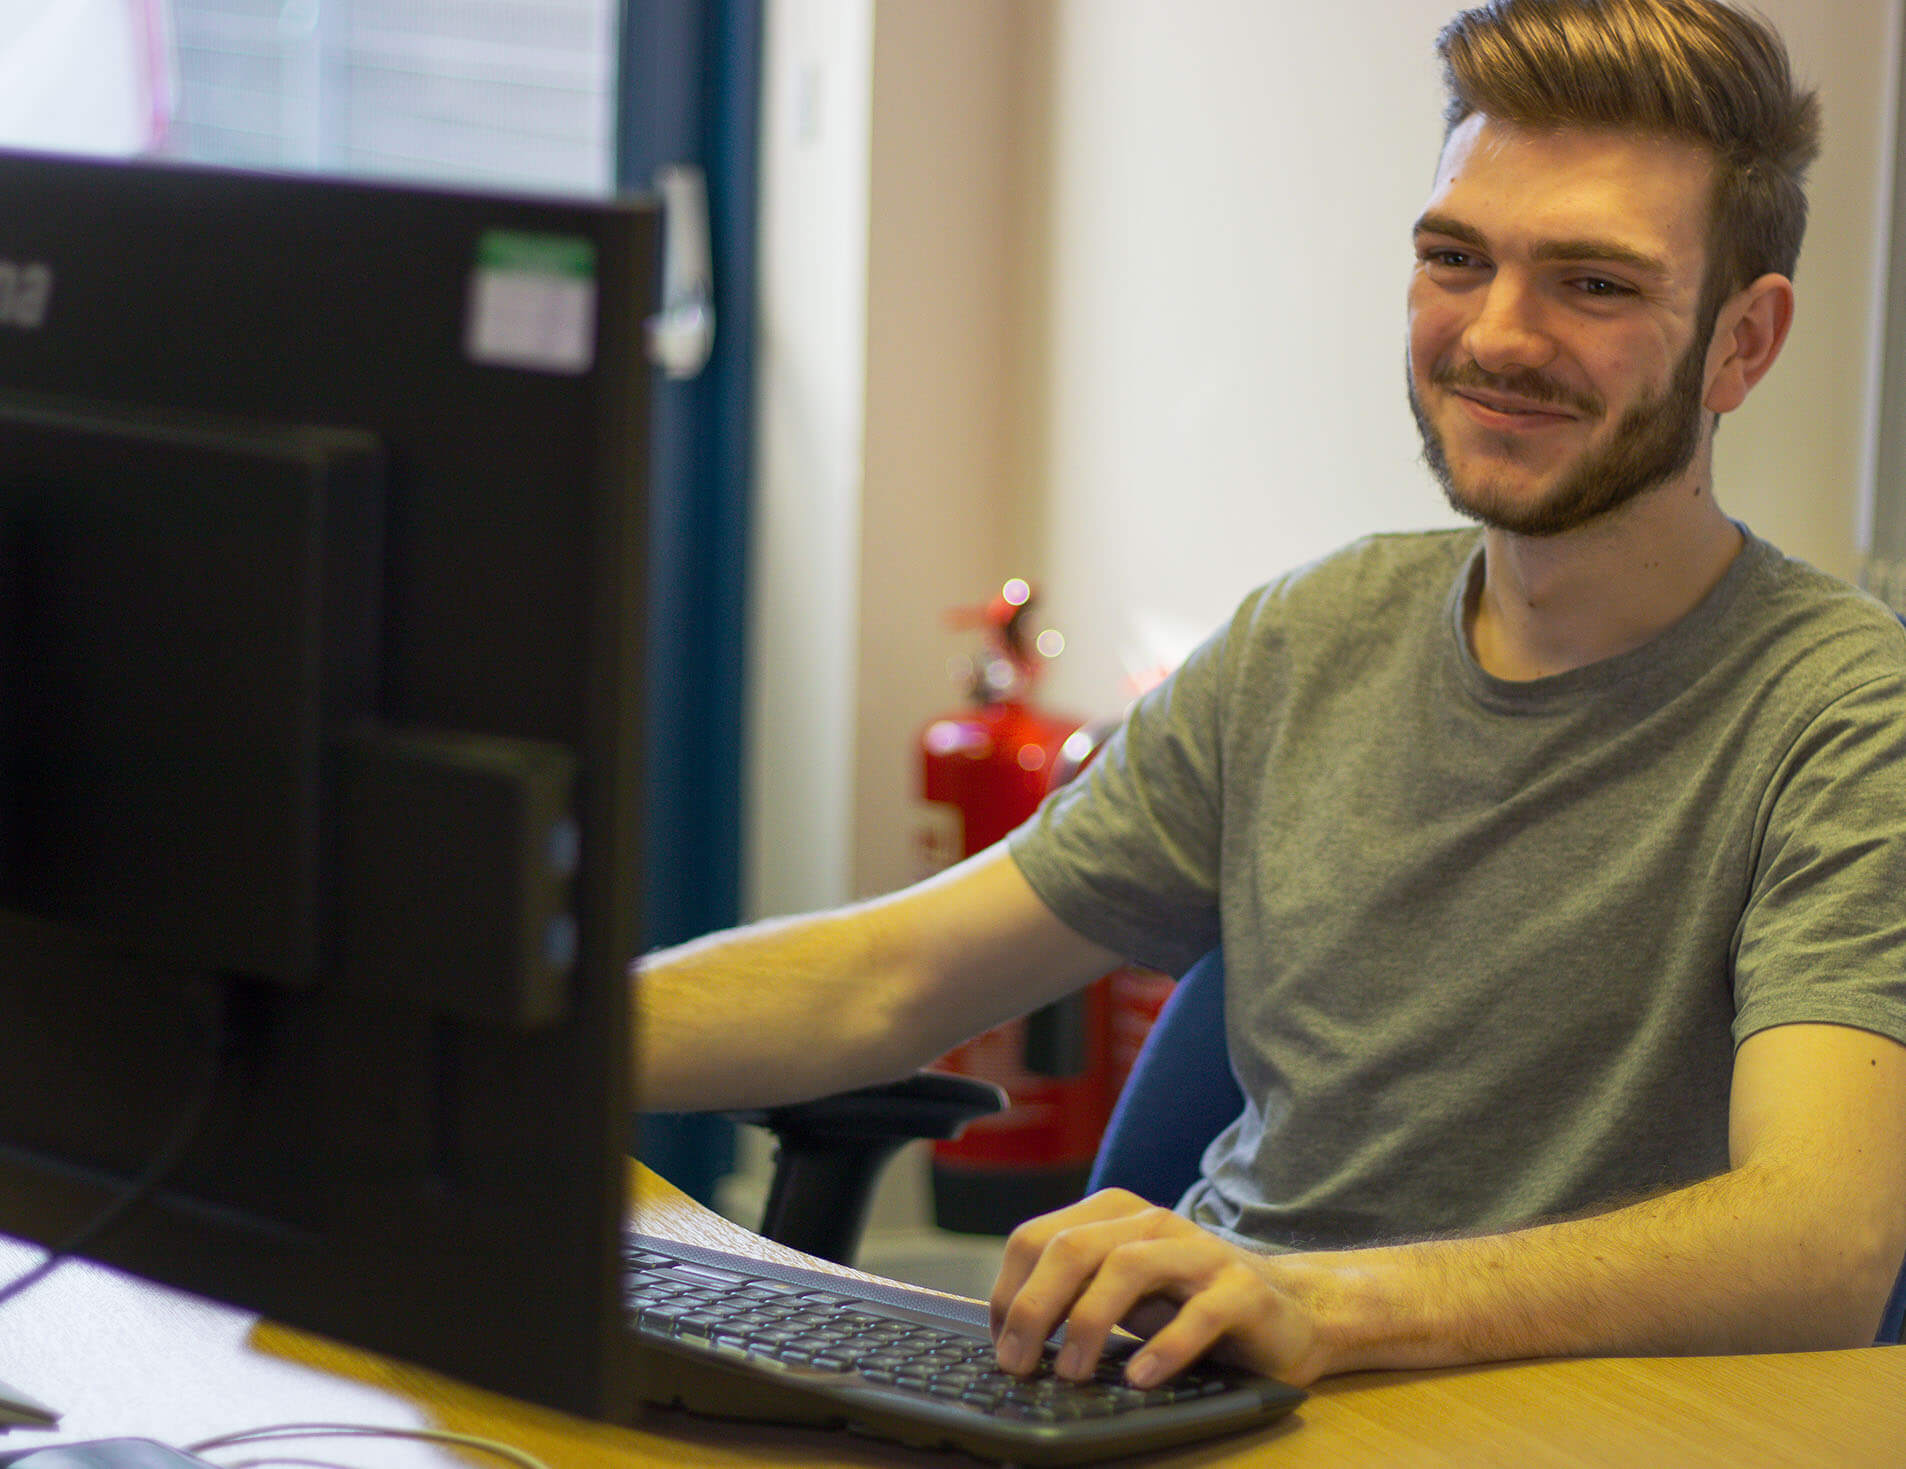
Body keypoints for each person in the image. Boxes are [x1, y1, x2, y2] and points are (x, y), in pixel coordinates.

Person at [636, 0, 1906, 1392]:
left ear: (1741, 343)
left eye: (1591, 285)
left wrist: (1316, 1302)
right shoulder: (1312, 636)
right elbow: (890, 976)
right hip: (1187, 1397)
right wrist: (516, 1042)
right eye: (1452, 258)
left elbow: (1817, 1243)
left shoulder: (1843, 715)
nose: (1494, 333)